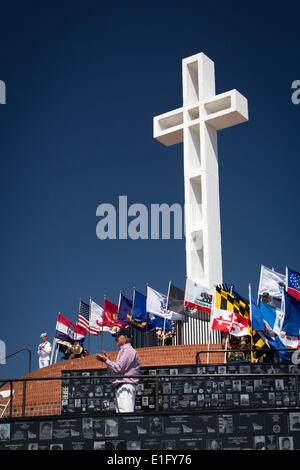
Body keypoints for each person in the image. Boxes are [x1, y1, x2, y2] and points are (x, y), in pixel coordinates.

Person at [96, 328, 140, 413]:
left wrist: (107, 361)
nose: (116, 338)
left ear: (126, 338)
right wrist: (107, 361)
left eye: (118, 336)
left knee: (126, 417)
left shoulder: (128, 350)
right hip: (121, 387)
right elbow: (114, 372)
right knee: (121, 419)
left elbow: (119, 368)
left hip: (126, 386)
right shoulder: (123, 350)